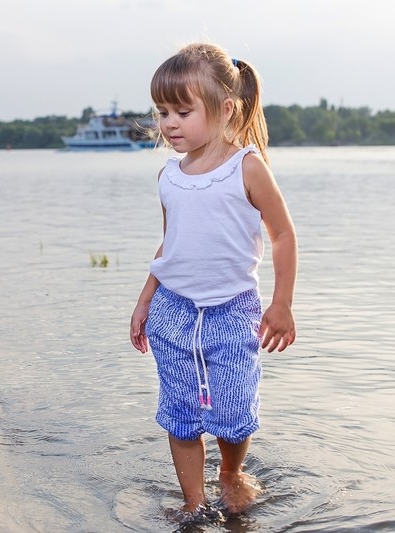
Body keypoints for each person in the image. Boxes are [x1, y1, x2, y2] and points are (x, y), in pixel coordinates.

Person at [129, 42, 298, 520]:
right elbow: (170, 248)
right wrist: (145, 302)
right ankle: (193, 502)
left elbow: (283, 234)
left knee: (232, 410)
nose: (169, 123)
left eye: (183, 111)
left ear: (225, 109)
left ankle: (229, 473)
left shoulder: (246, 167)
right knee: (180, 414)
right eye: (162, 111)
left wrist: (281, 303)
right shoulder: (169, 176)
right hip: (174, 311)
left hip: (231, 309)